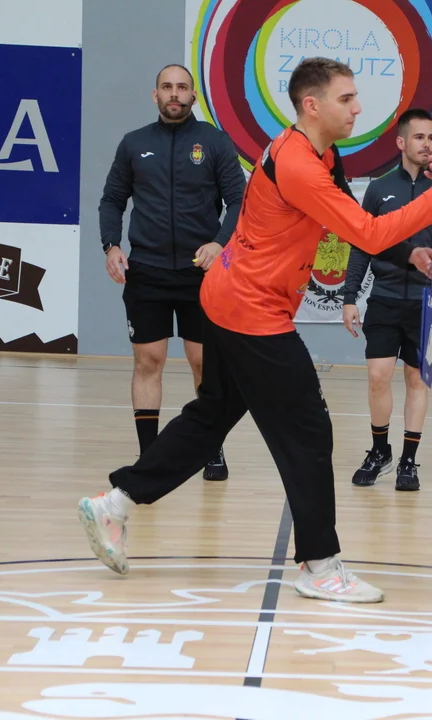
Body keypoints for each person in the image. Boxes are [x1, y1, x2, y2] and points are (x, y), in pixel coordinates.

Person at [77, 57, 432, 603]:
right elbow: (366, 230)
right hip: (250, 310)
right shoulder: (297, 164)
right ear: (312, 105)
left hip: (227, 297)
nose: (357, 108)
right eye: (346, 99)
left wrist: (412, 242)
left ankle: (114, 504)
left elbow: (351, 223)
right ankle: (320, 565)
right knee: (310, 430)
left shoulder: (320, 153)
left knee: (210, 416)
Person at [98, 63, 246, 481]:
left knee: (203, 364)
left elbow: (239, 200)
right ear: (155, 95)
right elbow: (112, 200)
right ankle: (149, 457)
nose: (174, 94)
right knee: (149, 361)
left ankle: (210, 448)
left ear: (193, 96)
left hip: (202, 273)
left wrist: (220, 243)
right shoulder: (134, 144)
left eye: (182, 87)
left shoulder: (214, 142)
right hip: (147, 270)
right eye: (167, 87)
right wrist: (111, 245)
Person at [342, 108, 432, 492]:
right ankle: (380, 452)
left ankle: (408, 459)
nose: (428, 144)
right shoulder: (379, 189)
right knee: (378, 376)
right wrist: (350, 296)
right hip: (385, 296)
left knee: (417, 379)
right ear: (401, 142)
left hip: (430, 299)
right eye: (420, 137)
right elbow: (362, 243)